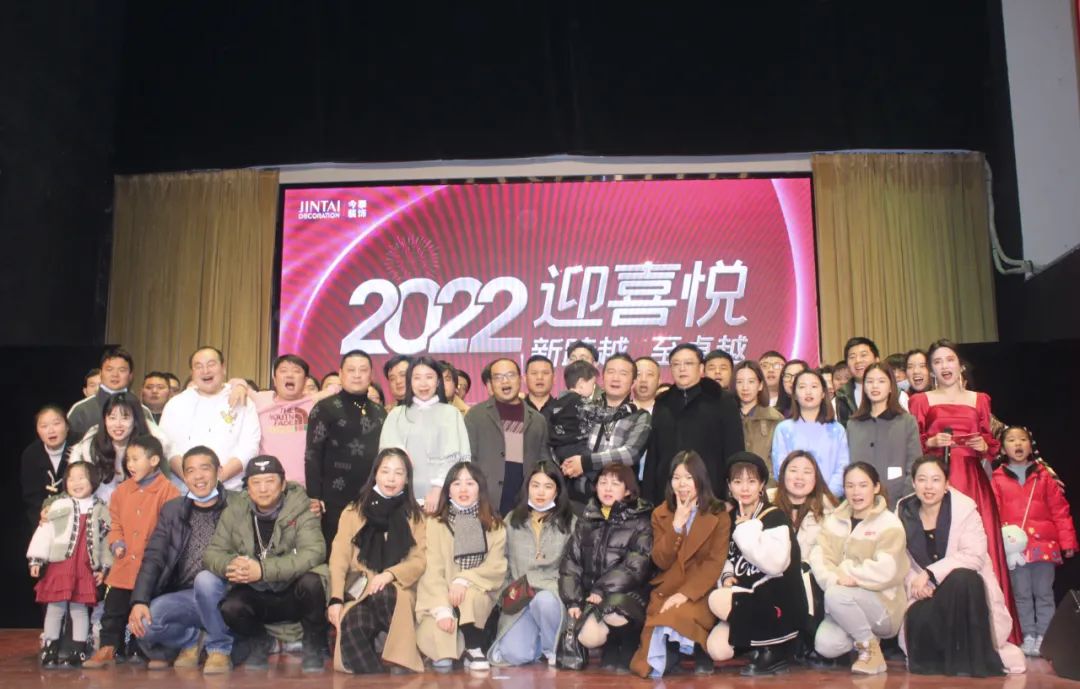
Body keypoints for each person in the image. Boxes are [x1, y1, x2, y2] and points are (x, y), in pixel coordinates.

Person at [908, 338, 1019, 640]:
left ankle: (991, 629)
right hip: (937, 481)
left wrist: (984, 445)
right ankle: (946, 628)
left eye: (949, 360)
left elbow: (991, 444)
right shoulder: (921, 401)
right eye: (937, 362)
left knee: (981, 549)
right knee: (942, 547)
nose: (944, 366)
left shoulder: (980, 399)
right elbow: (913, 444)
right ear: (931, 369)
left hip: (973, 480)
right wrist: (930, 442)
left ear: (960, 365)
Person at [897, 456, 1025, 675]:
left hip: (967, 597)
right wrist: (914, 583)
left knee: (963, 578)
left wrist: (929, 573)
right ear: (914, 483)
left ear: (946, 484)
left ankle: (970, 659)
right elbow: (899, 561)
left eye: (936, 480)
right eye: (922, 479)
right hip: (925, 595)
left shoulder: (964, 509)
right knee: (920, 622)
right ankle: (940, 658)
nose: (928, 486)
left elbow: (974, 556)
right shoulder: (903, 511)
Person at [203, 455, 328, 672]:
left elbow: (314, 552)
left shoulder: (303, 507)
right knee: (231, 607)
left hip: (292, 592)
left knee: (313, 582)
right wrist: (233, 565)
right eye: (256, 482)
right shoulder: (235, 510)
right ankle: (261, 641)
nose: (263, 489)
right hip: (256, 592)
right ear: (248, 488)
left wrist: (262, 570)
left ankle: (313, 645)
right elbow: (213, 553)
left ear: (283, 484)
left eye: (270, 481)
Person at [127, 446, 234, 674]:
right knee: (143, 624)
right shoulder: (173, 510)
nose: (198, 476)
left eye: (205, 468)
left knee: (205, 580)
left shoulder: (237, 505)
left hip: (225, 593)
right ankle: (192, 639)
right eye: (191, 471)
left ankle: (219, 648)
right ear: (184, 477)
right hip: (187, 596)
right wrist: (139, 601)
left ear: (218, 471)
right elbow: (154, 556)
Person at [327, 448, 427, 674]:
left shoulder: (415, 515)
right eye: (385, 471)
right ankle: (379, 670)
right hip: (361, 591)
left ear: (407, 479)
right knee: (353, 635)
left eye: (398, 473)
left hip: (399, 590)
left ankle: (402, 656)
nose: (391, 479)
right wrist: (335, 598)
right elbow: (339, 558)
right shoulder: (353, 512)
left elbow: (419, 560)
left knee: (385, 593)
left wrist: (390, 575)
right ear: (375, 475)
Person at [84, 435, 181, 668]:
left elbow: (171, 533)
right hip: (124, 565)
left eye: (136, 459)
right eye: (128, 459)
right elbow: (115, 523)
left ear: (154, 460)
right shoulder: (121, 491)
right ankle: (108, 647)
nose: (130, 464)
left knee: (147, 610)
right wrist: (116, 542)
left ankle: (143, 649)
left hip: (151, 568)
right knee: (113, 609)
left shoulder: (169, 492)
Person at [632, 451, 730, 678]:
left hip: (700, 589)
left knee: (677, 615)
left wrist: (685, 594)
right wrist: (676, 525)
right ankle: (675, 650)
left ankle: (696, 648)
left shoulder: (718, 514)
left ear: (700, 479)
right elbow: (660, 559)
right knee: (646, 663)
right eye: (676, 478)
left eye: (688, 477)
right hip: (668, 586)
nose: (682, 484)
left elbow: (714, 562)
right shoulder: (661, 513)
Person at [706, 452, 805, 675]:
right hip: (746, 596)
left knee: (717, 599)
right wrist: (726, 576)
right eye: (737, 482)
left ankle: (776, 649)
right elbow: (725, 558)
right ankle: (757, 645)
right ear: (729, 486)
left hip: (777, 599)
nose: (745, 488)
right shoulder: (729, 518)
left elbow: (775, 565)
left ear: (761, 485)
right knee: (717, 649)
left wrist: (745, 530)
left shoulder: (775, 516)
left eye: (751, 481)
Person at [809, 463, 908, 675]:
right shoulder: (834, 520)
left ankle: (870, 651)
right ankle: (865, 634)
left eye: (863, 485)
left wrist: (847, 572)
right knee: (826, 646)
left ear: (876, 487)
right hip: (843, 598)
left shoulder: (889, 523)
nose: (856, 492)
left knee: (836, 595)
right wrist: (834, 580)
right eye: (850, 485)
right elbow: (819, 556)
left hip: (884, 604)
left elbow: (887, 569)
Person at [992, 426, 1077, 656]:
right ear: (1003, 448)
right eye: (1011, 440)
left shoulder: (1044, 476)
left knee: (1044, 593)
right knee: (1021, 594)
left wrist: (1068, 542)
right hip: (1015, 550)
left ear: (1031, 446)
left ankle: (1045, 637)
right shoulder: (997, 478)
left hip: (1044, 547)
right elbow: (993, 513)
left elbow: (1060, 510)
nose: (1018, 444)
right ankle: (1027, 635)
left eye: (1023, 439)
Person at [415, 462, 507, 673]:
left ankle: (474, 646)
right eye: (456, 484)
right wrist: (442, 609)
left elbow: (496, 567)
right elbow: (432, 570)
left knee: (469, 596)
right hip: (440, 597)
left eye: (470, 483)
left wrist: (463, 580)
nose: (463, 489)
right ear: (448, 490)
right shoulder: (434, 523)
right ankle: (455, 640)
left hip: (476, 595)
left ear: (480, 489)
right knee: (443, 660)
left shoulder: (494, 526)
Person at [559, 464, 652, 672]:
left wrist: (601, 589)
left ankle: (628, 643)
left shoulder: (641, 522)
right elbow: (571, 563)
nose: (607, 488)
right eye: (603, 482)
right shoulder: (586, 520)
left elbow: (635, 566)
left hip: (627, 597)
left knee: (615, 611)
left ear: (627, 490)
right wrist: (573, 600)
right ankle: (610, 644)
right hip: (593, 598)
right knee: (589, 637)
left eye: (615, 483)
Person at [489, 461, 575, 667]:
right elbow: (502, 563)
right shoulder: (512, 519)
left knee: (543, 602)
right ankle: (536, 640)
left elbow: (574, 568)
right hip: (520, 597)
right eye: (535, 485)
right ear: (527, 488)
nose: (540, 492)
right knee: (514, 655)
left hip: (552, 595)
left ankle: (551, 648)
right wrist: (506, 594)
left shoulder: (570, 522)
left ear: (557, 491)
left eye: (548, 486)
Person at [27, 462, 111, 669]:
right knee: (55, 608)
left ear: (93, 480)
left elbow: (106, 541)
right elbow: (45, 532)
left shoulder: (101, 508)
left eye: (81, 478)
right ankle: (50, 646)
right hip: (60, 566)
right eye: (71, 479)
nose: (76, 483)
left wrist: (103, 568)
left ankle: (78, 648)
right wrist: (36, 559)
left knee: (79, 609)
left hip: (84, 567)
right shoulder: (58, 506)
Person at [643, 344, 744, 503]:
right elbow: (653, 456)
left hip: (712, 494)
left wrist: (731, 497)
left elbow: (734, 450)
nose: (682, 369)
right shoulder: (663, 403)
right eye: (676, 364)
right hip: (668, 494)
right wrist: (647, 499)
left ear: (701, 368)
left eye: (688, 363)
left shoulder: (721, 400)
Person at [306, 350, 388, 546]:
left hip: (371, 496)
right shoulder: (324, 408)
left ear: (371, 375)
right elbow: (312, 454)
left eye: (363, 370)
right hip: (333, 498)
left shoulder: (379, 412)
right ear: (341, 374)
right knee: (336, 552)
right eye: (351, 370)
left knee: (370, 551)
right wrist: (314, 496)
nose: (357, 375)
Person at [160, 346, 261, 491]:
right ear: (192, 373)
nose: (205, 371)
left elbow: (249, 446)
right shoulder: (176, 404)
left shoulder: (242, 400)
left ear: (223, 368)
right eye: (198, 366)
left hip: (230, 490)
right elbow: (168, 448)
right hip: (183, 490)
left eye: (211, 364)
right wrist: (192, 479)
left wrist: (219, 478)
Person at [379, 357, 471, 514]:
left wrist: (438, 488)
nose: (423, 384)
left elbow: (458, 457)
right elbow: (387, 457)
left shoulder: (451, 413)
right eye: (417, 378)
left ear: (438, 381)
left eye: (429, 377)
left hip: (444, 497)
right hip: (402, 498)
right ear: (410, 381)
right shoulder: (396, 414)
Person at [231, 354, 338, 486]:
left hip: (304, 487)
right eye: (283, 371)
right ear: (275, 380)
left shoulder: (312, 402)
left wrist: (327, 391)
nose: (290, 375)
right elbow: (232, 382)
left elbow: (341, 388)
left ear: (305, 381)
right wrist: (240, 386)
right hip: (268, 485)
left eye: (296, 371)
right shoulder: (262, 399)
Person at [561, 354, 651, 507]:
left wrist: (585, 462)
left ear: (633, 382)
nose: (615, 378)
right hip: (576, 498)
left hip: (617, 502)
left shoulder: (640, 416)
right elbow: (566, 441)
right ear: (602, 377)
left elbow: (630, 454)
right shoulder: (582, 408)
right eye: (611, 372)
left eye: (623, 373)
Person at [772, 450, 837, 662]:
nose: (799, 477)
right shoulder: (767, 502)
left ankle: (807, 638)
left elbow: (830, 554)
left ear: (816, 478)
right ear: (783, 474)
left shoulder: (829, 509)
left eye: (807, 472)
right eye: (793, 470)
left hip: (814, 580)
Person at [465, 358, 550, 515]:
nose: (505, 381)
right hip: (485, 502)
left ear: (520, 379)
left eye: (510, 375)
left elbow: (543, 462)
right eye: (498, 377)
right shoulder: (475, 415)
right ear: (491, 384)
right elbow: (469, 460)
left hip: (524, 504)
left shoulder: (537, 420)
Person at [69, 392, 171, 503]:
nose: (118, 424)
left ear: (136, 420)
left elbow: (163, 491)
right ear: (104, 420)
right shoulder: (90, 448)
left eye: (125, 418)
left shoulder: (151, 449)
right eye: (112, 418)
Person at [846, 362, 921, 508]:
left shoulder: (906, 422)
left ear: (891, 387)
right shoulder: (853, 425)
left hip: (898, 503)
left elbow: (914, 466)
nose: (875, 386)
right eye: (869, 381)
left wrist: (903, 501)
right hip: (859, 504)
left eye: (881, 381)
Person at [771, 370, 849, 496]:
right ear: (794, 394)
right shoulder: (784, 429)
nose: (808, 392)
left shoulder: (837, 430)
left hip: (829, 500)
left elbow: (843, 467)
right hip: (793, 498)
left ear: (823, 393)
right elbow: (780, 468)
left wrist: (827, 496)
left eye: (814, 386)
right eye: (802, 387)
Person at [68, 348, 154, 441]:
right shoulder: (81, 410)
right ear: (101, 373)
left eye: (122, 370)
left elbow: (152, 445)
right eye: (109, 369)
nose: (115, 374)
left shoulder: (143, 411)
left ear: (130, 375)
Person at [835, 337, 909, 426]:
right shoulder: (841, 397)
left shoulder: (898, 394)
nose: (858, 360)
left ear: (877, 360)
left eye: (863, 355)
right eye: (852, 357)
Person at [543, 360, 599, 473]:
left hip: (558, 450)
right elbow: (601, 415)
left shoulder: (555, 403)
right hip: (577, 447)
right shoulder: (582, 402)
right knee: (596, 464)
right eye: (593, 384)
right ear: (581, 383)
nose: (594, 388)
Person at [734, 361, 783, 484]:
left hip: (768, 486)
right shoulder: (726, 416)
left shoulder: (775, 419)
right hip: (734, 485)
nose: (745, 387)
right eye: (740, 382)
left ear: (760, 385)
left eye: (751, 382)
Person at [21, 405, 71, 527]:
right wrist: (43, 514)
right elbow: (32, 496)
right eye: (44, 426)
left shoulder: (80, 446)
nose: (51, 430)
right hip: (44, 517)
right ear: (38, 431)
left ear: (67, 426)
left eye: (56, 424)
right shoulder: (31, 454)